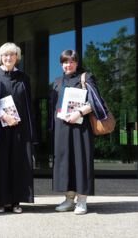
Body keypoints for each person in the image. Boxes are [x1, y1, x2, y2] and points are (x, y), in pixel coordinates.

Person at [50, 50, 108, 215]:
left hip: (80, 128)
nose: (68, 65)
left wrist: (79, 113)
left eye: (71, 61)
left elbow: (95, 102)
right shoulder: (57, 81)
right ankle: (69, 199)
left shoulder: (86, 78)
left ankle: (82, 200)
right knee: (65, 163)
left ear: (76, 63)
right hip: (62, 128)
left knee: (81, 161)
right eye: (65, 62)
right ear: (61, 63)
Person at [0, 42, 37, 214]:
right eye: (5, 55)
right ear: (0, 57)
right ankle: (0, 201)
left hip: (19, 129)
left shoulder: (24, 78)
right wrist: (3, 116)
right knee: (0, 165)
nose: (8, 58)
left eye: (12, 55)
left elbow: (28, 104)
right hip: (0, 129)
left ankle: (15, 201)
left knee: (18, 164)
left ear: (17, 58)